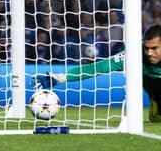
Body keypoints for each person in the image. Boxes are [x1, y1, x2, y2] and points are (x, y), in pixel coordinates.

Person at [32, 24, 161, 122]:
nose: (149, 53)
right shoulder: (134, 55)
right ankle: (156, 100)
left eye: (154, 48)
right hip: (152, 85)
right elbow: (96, 68)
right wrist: (61, 78)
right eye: (147, 48)